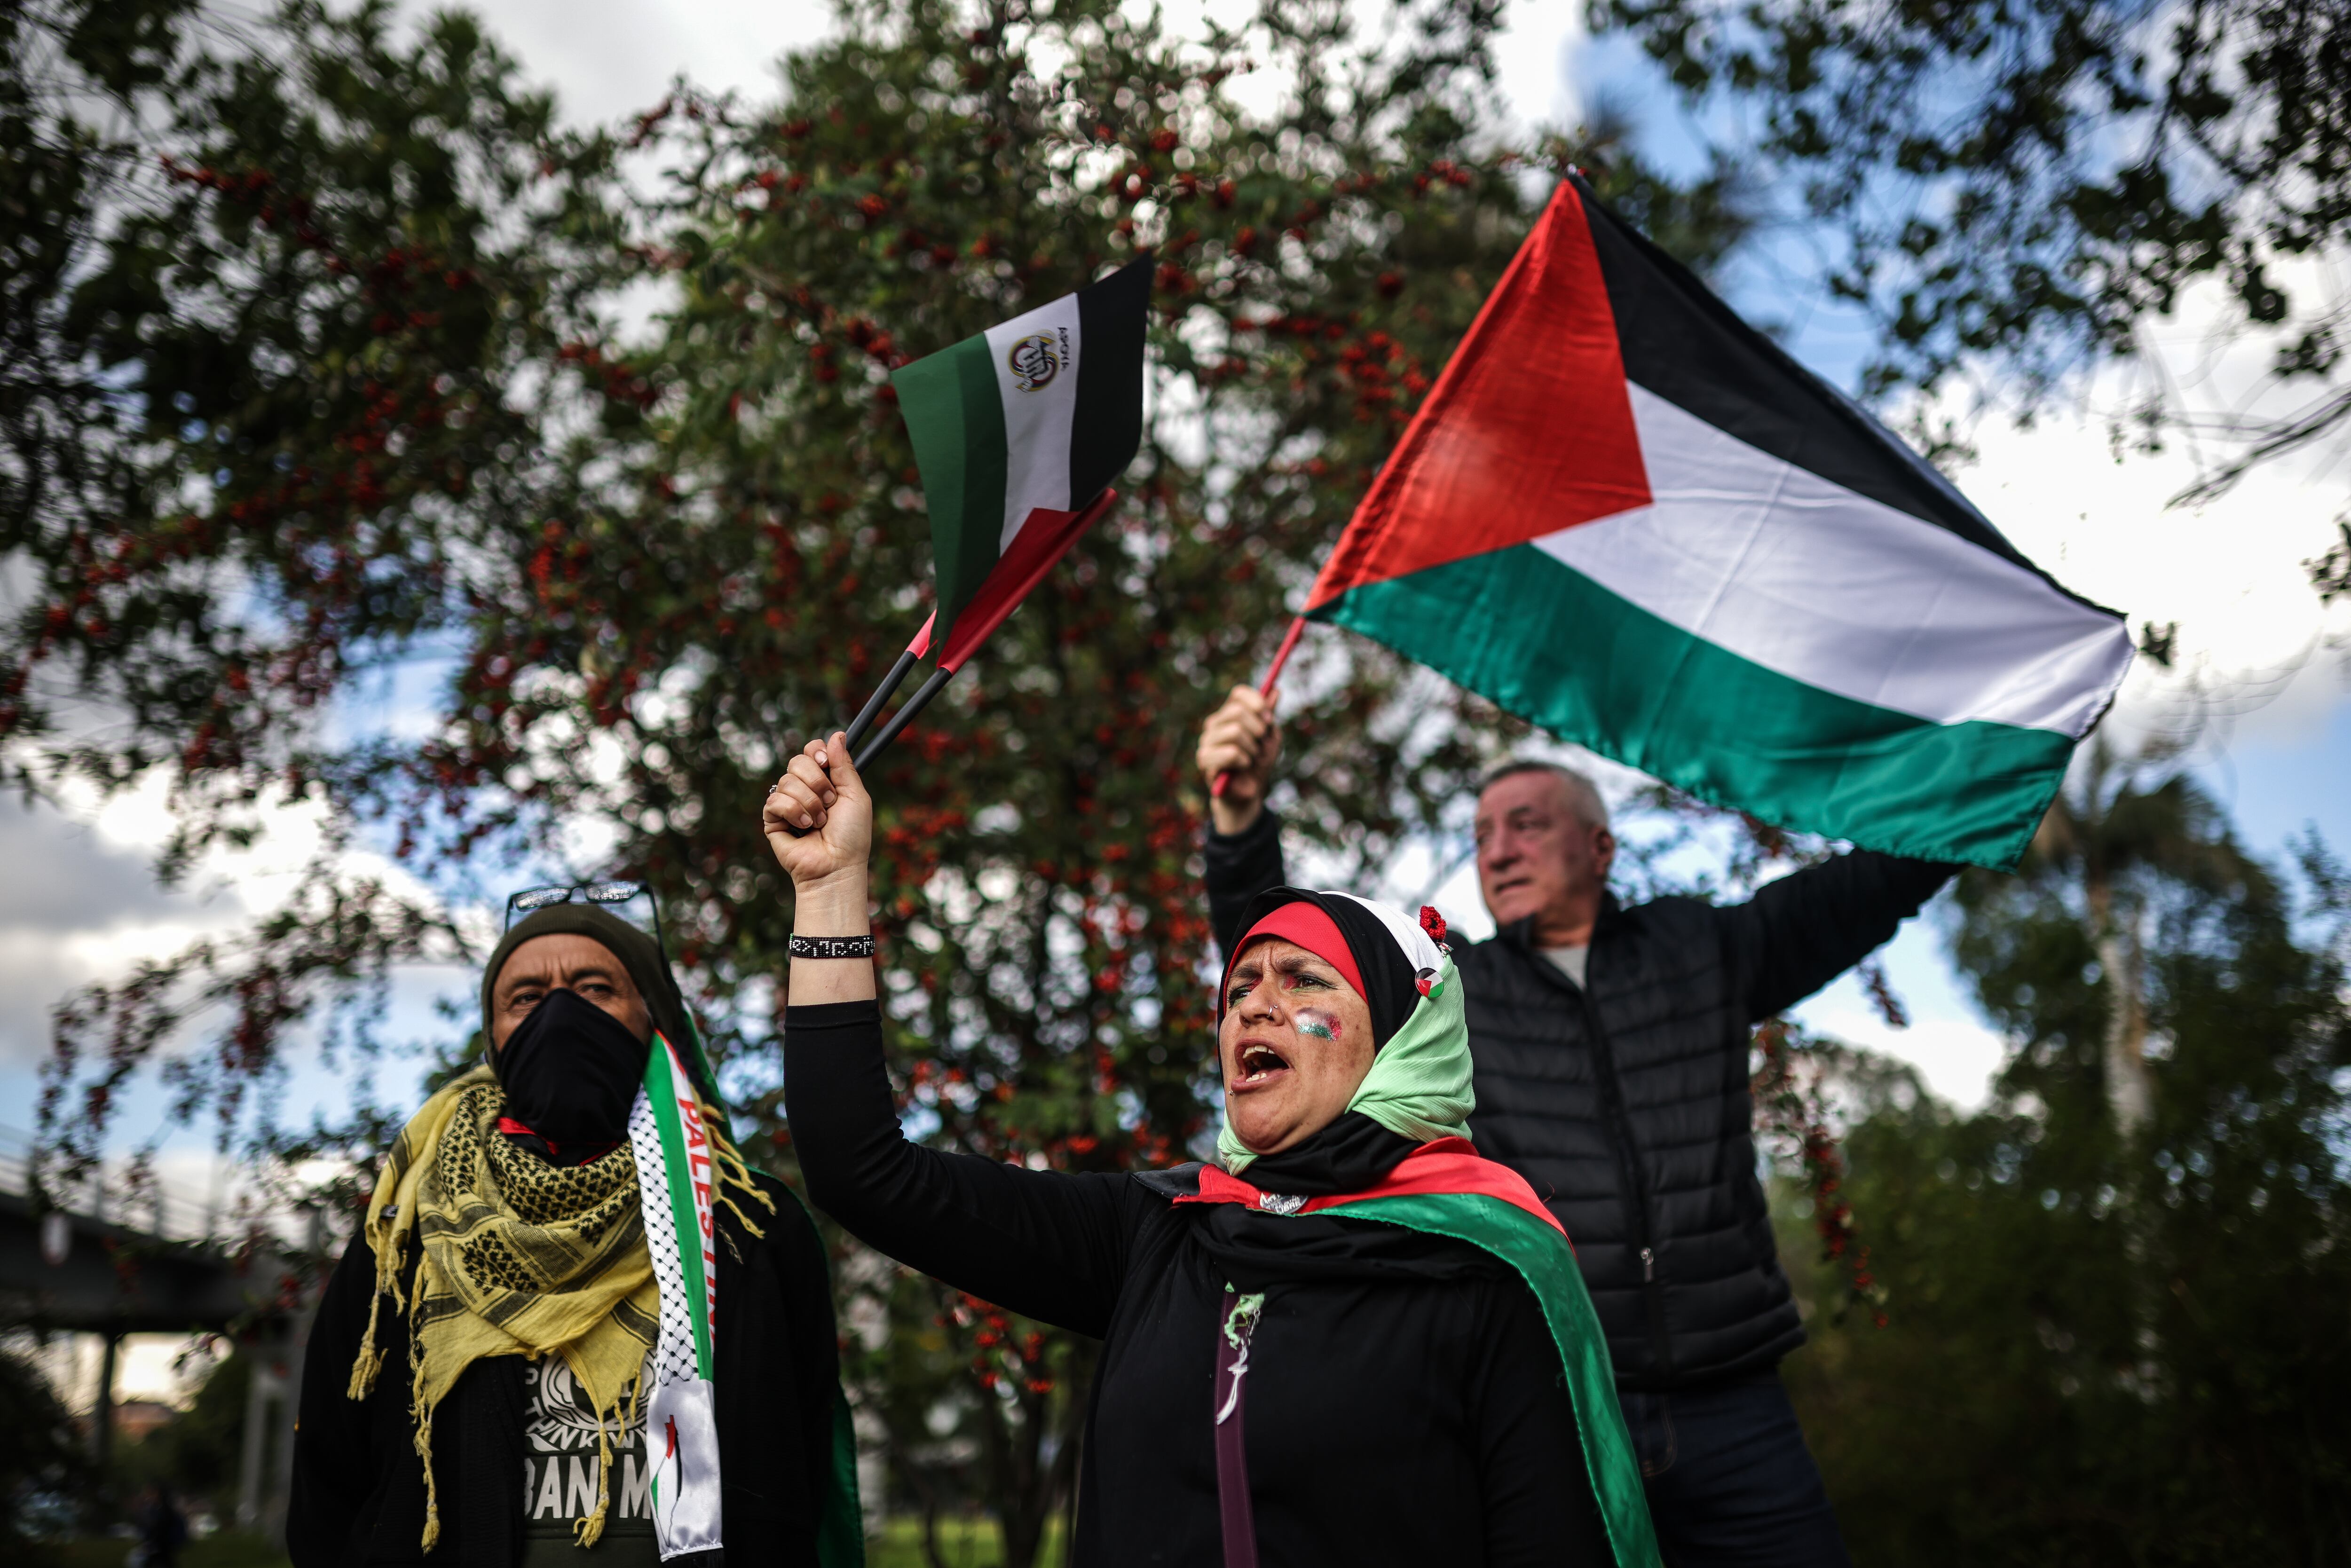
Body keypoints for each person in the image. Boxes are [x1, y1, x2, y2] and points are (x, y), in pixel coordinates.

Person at [767, 733, 1663, 1568]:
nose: (1254, 1007)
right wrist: (832, 887)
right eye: (1239, 990)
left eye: (1304, 980)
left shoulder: (1492, 1267)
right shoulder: (1160, 1232)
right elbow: (861, 1170)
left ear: (1400, 1038)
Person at [1197, 686, 1957, 1566]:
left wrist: (1996, 767)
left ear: (1600, 847)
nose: (1498, 850)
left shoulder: (1700, 949)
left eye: (1526, 825)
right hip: (1550, 1398)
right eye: (1483, 835)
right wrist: (1241, 821)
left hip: (1738, 1406)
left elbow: (1868, 885)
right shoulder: (1457, 994)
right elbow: (1287, 957)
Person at [290, 896, 860, 1567]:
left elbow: (804, 1448)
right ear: (494, 1035)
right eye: (527, 998)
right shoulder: (409, 1230)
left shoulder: (746, 1221)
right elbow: (329, 1472)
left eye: (595, 989)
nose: (561, 1014)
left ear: (653, 1019)